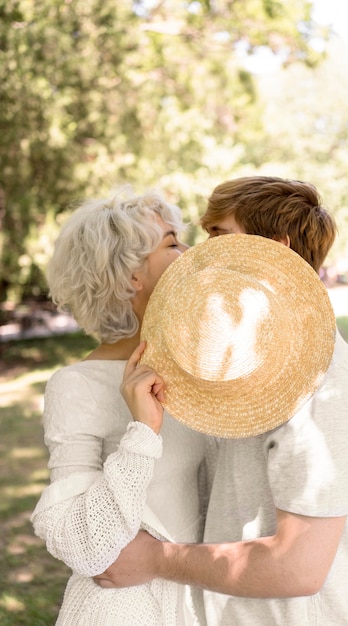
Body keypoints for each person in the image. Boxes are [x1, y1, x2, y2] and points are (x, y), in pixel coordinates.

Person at [95, 176, 348, 625]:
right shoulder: (247, 362)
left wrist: (156, 560)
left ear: (277, 249)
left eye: (219, 236)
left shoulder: (326, 390)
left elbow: (297, 566)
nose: (199, 253)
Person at [31, 187, 210, 626]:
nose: (189, 253)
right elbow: (84, 545)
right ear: (132, 275)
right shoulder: (76, 386)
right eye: (171, 242)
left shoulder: (206, 366)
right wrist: (143, 433)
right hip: (125, 611)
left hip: (210, 598)